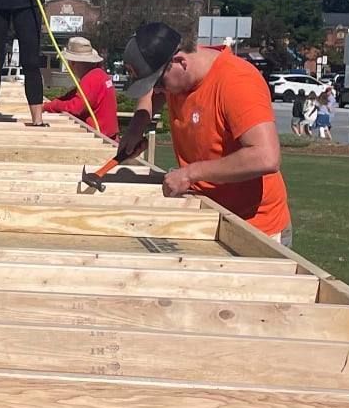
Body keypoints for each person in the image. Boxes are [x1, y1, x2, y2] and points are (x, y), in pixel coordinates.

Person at [116, 22, 292, 245]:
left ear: (180, 62)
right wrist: (136, 128)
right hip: (209, 214)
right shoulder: (177, 77)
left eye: (159, 82)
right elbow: (152, 94)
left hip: (256, 228)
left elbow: (266, 157)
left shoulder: (236, 82)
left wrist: (190, 173)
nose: (158, 90)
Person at [41, 35, 117, 137]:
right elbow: (73, 96)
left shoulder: (91, 78)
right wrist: (55, 102)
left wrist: (49, 106)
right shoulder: (99, 75)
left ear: (73, 62)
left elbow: (76, 107)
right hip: (108, 135)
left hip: (100, 137)